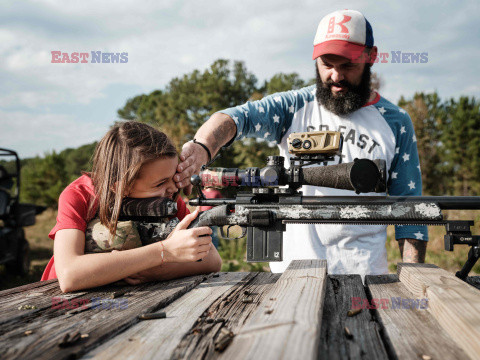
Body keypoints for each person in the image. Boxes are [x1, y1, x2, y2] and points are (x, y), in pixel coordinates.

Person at [174, 9, 427, 276]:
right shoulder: (293, 106)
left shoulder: (396, 121)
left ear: (371, 56)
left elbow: (410, 211)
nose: (336, 77)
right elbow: (238, 117)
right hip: (291, 279)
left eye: (348, 65)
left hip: (366, 278)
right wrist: (201, 148)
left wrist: (413, 282)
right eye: (327, 64)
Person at [41, 121, 221, 292]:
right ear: (120, 187)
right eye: (160, 183)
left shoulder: (167, 197)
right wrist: (163, 253)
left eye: (174, 176)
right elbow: (69, 275)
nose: (174, 188)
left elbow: (211, 259)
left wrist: (153, 271)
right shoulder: (79, 194)